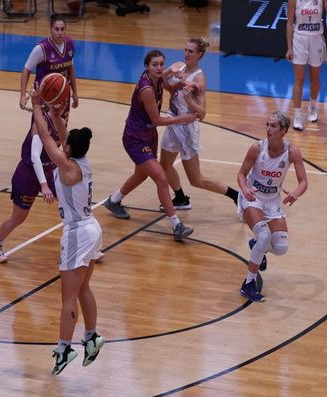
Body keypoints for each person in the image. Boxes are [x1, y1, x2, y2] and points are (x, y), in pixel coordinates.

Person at [30, 90, 104, 376]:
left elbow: (45, 138)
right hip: (91, 228)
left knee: (68, 297)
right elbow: (61, 136)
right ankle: (92, 337)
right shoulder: (80, 160)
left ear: (69, 149)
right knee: (83, 288)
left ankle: (64, 349)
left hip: (77, 233)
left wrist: (37, 106)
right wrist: (54, 113)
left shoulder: (68, 166)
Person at [103, 50, 197, 241]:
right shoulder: (146, 89)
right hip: (135, 138)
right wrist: (183, 118)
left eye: (162, 64)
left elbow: (170, 86)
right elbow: (157, 120)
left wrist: (183, 81)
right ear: (147, 66)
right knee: (161, 178)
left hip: (148, 135)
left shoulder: (159, 77)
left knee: (141, 174)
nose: (159, 68)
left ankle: (114, 201)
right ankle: (176, 225)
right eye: (155, 64)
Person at [159, 37, 239, 210]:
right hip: (173, 122)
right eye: (185, 50)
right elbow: (167, 87)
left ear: (200, 55)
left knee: (196, 180)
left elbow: (202, 114)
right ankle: (181, 198)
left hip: (186, 129)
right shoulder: (179, 66)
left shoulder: (199, 79)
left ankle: (237, 196)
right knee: (164, 165)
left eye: (191, 51)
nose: (186, 54)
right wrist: (168, 72)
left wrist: (189, 99)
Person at [236, 111, 307, 302]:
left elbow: (303, 181)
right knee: (264, 236)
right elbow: (241, 174)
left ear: (283, 130)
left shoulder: (292, 151)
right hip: (252, 196)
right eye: (267, 124)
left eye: (273, 126)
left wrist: (296, 193)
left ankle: (257, 246)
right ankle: (248, 284)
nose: (268, 129)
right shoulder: (257, 148)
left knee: (281, 247)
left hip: (273, 200)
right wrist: (244, 189)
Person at [0, 111, 61, 263]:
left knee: (70, 203)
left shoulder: (60, 120)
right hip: (29, 174)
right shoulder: (41, 122)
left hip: (49, 170)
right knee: (19, 217)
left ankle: (85, 245)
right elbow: (35, 156)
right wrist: (44, 185)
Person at [20, 14, 78, 123]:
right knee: (41, 130)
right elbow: (26, 70)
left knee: (61, 128)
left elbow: (71, 69)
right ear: (50, 30)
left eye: (62, 29)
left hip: (63, 94)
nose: (60, 32)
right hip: (44, 95)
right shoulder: (41, 48)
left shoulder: (70, 43)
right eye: (56, 29)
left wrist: (75, 93)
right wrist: (23, 95)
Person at [286, 0, 327, 131]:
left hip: (316, 38)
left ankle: (312, 107)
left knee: (315, 79)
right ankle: (297, 115)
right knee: (299, 79)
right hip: (299, 39)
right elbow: (289, 23)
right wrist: (289, 48)